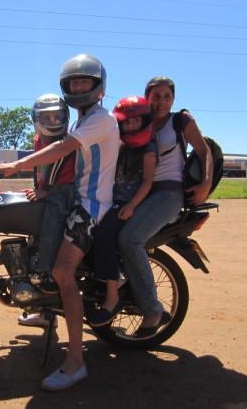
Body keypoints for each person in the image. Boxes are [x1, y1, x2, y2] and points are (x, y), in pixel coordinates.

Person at [0, 53, 119, 391]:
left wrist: (13, 166)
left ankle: (76, 362)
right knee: (37, 240)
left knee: (62, 272)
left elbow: (61, 149)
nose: (79, 86)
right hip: (73, 198)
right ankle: (45, 309)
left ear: (99, 87)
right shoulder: (81, 121)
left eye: (85, 81)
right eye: (73, 82)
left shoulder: (100, 121)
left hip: (92, 205)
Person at [115, 76, 212, 336]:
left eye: (166, 96)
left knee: (130, 239)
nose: (161, 101)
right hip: (141, 192)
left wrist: (205, 183)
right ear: (146, 97)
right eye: (156, 96)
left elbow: (204, 152)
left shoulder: (180, 121)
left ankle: (152, 310)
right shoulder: (139, 121)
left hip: (169, 193)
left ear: (173, 99)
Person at [87, 96, 156, 327]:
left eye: (135, 121)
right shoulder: (119, 144)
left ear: (144, 120)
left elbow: (147, 182)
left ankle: (112, 295)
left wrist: (131, 206)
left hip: (124, 203)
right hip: (108, 198)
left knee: (104, 234)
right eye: (126, 122)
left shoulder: (148, 149)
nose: (130, 126)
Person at [17, 93, 75, 329]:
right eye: (46, 117)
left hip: (66, 191)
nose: (52, 121)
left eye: (56, 116)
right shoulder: (38, 139)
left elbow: (56, 166)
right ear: (36, 118)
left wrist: (45, 192)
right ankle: (44, 311)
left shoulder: (66, 139)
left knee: (50, 226)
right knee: (35, 233)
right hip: (51, 189)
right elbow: (42, 171)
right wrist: (39, 189)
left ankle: (46, 277)